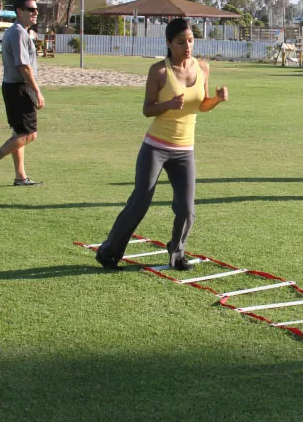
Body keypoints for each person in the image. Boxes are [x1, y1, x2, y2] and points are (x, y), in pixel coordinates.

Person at [94, 18, 229, 270]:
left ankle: (177, 253)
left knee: (187, 209)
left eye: (190, 40)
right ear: (169, 43)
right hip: (155, 147)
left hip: (184, 150)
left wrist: (218, 100)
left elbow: (201, 105)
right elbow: (147, 109)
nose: (187, 46)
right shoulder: (159, 71)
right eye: (181, 42)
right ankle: (109, 252)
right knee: (140, 202)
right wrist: (168, 104)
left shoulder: (203, 68)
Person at [0, 0, 45, 187]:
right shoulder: (18, 33)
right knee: (29, 134)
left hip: (13, 87)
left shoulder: (20, 32)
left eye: (36, 10)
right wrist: (37, 91)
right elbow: (24, 66)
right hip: (19, 88)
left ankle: (20, 176)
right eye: (31, 10)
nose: (35, 13)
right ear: (19, 11)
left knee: (19, 133)